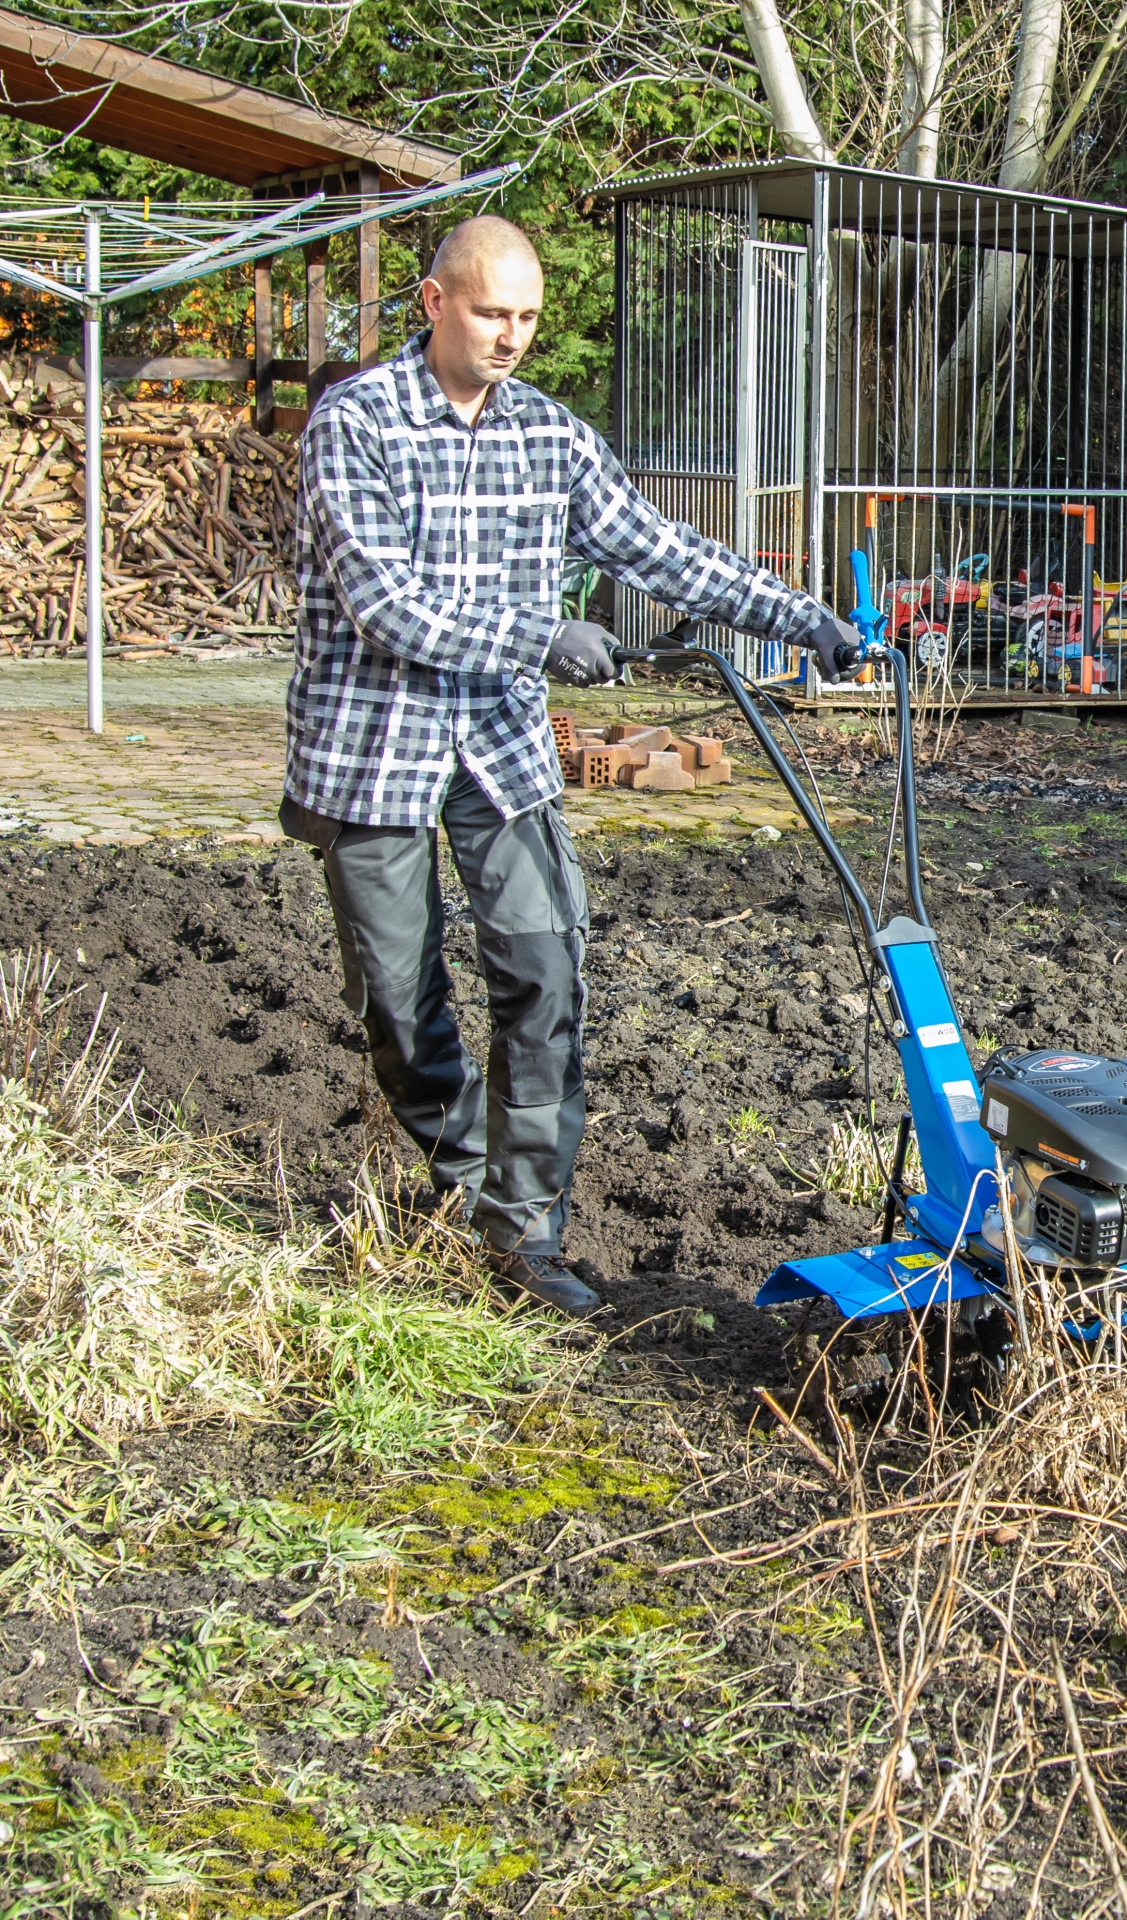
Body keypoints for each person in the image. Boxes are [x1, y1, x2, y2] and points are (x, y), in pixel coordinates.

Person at [281, 214, 857, 1318]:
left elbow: (656, 544)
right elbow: (382, 601)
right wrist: (537, 635)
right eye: (493, 312)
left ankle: (523, 1232)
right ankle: (457, 1197)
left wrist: (799, 617)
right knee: (400, 1006)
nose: (512, 337)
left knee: (545, 978)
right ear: (432, 302)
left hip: (497, 751)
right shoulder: (353, 424)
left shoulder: (550, 435)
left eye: (529, 317)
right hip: (371, 748)